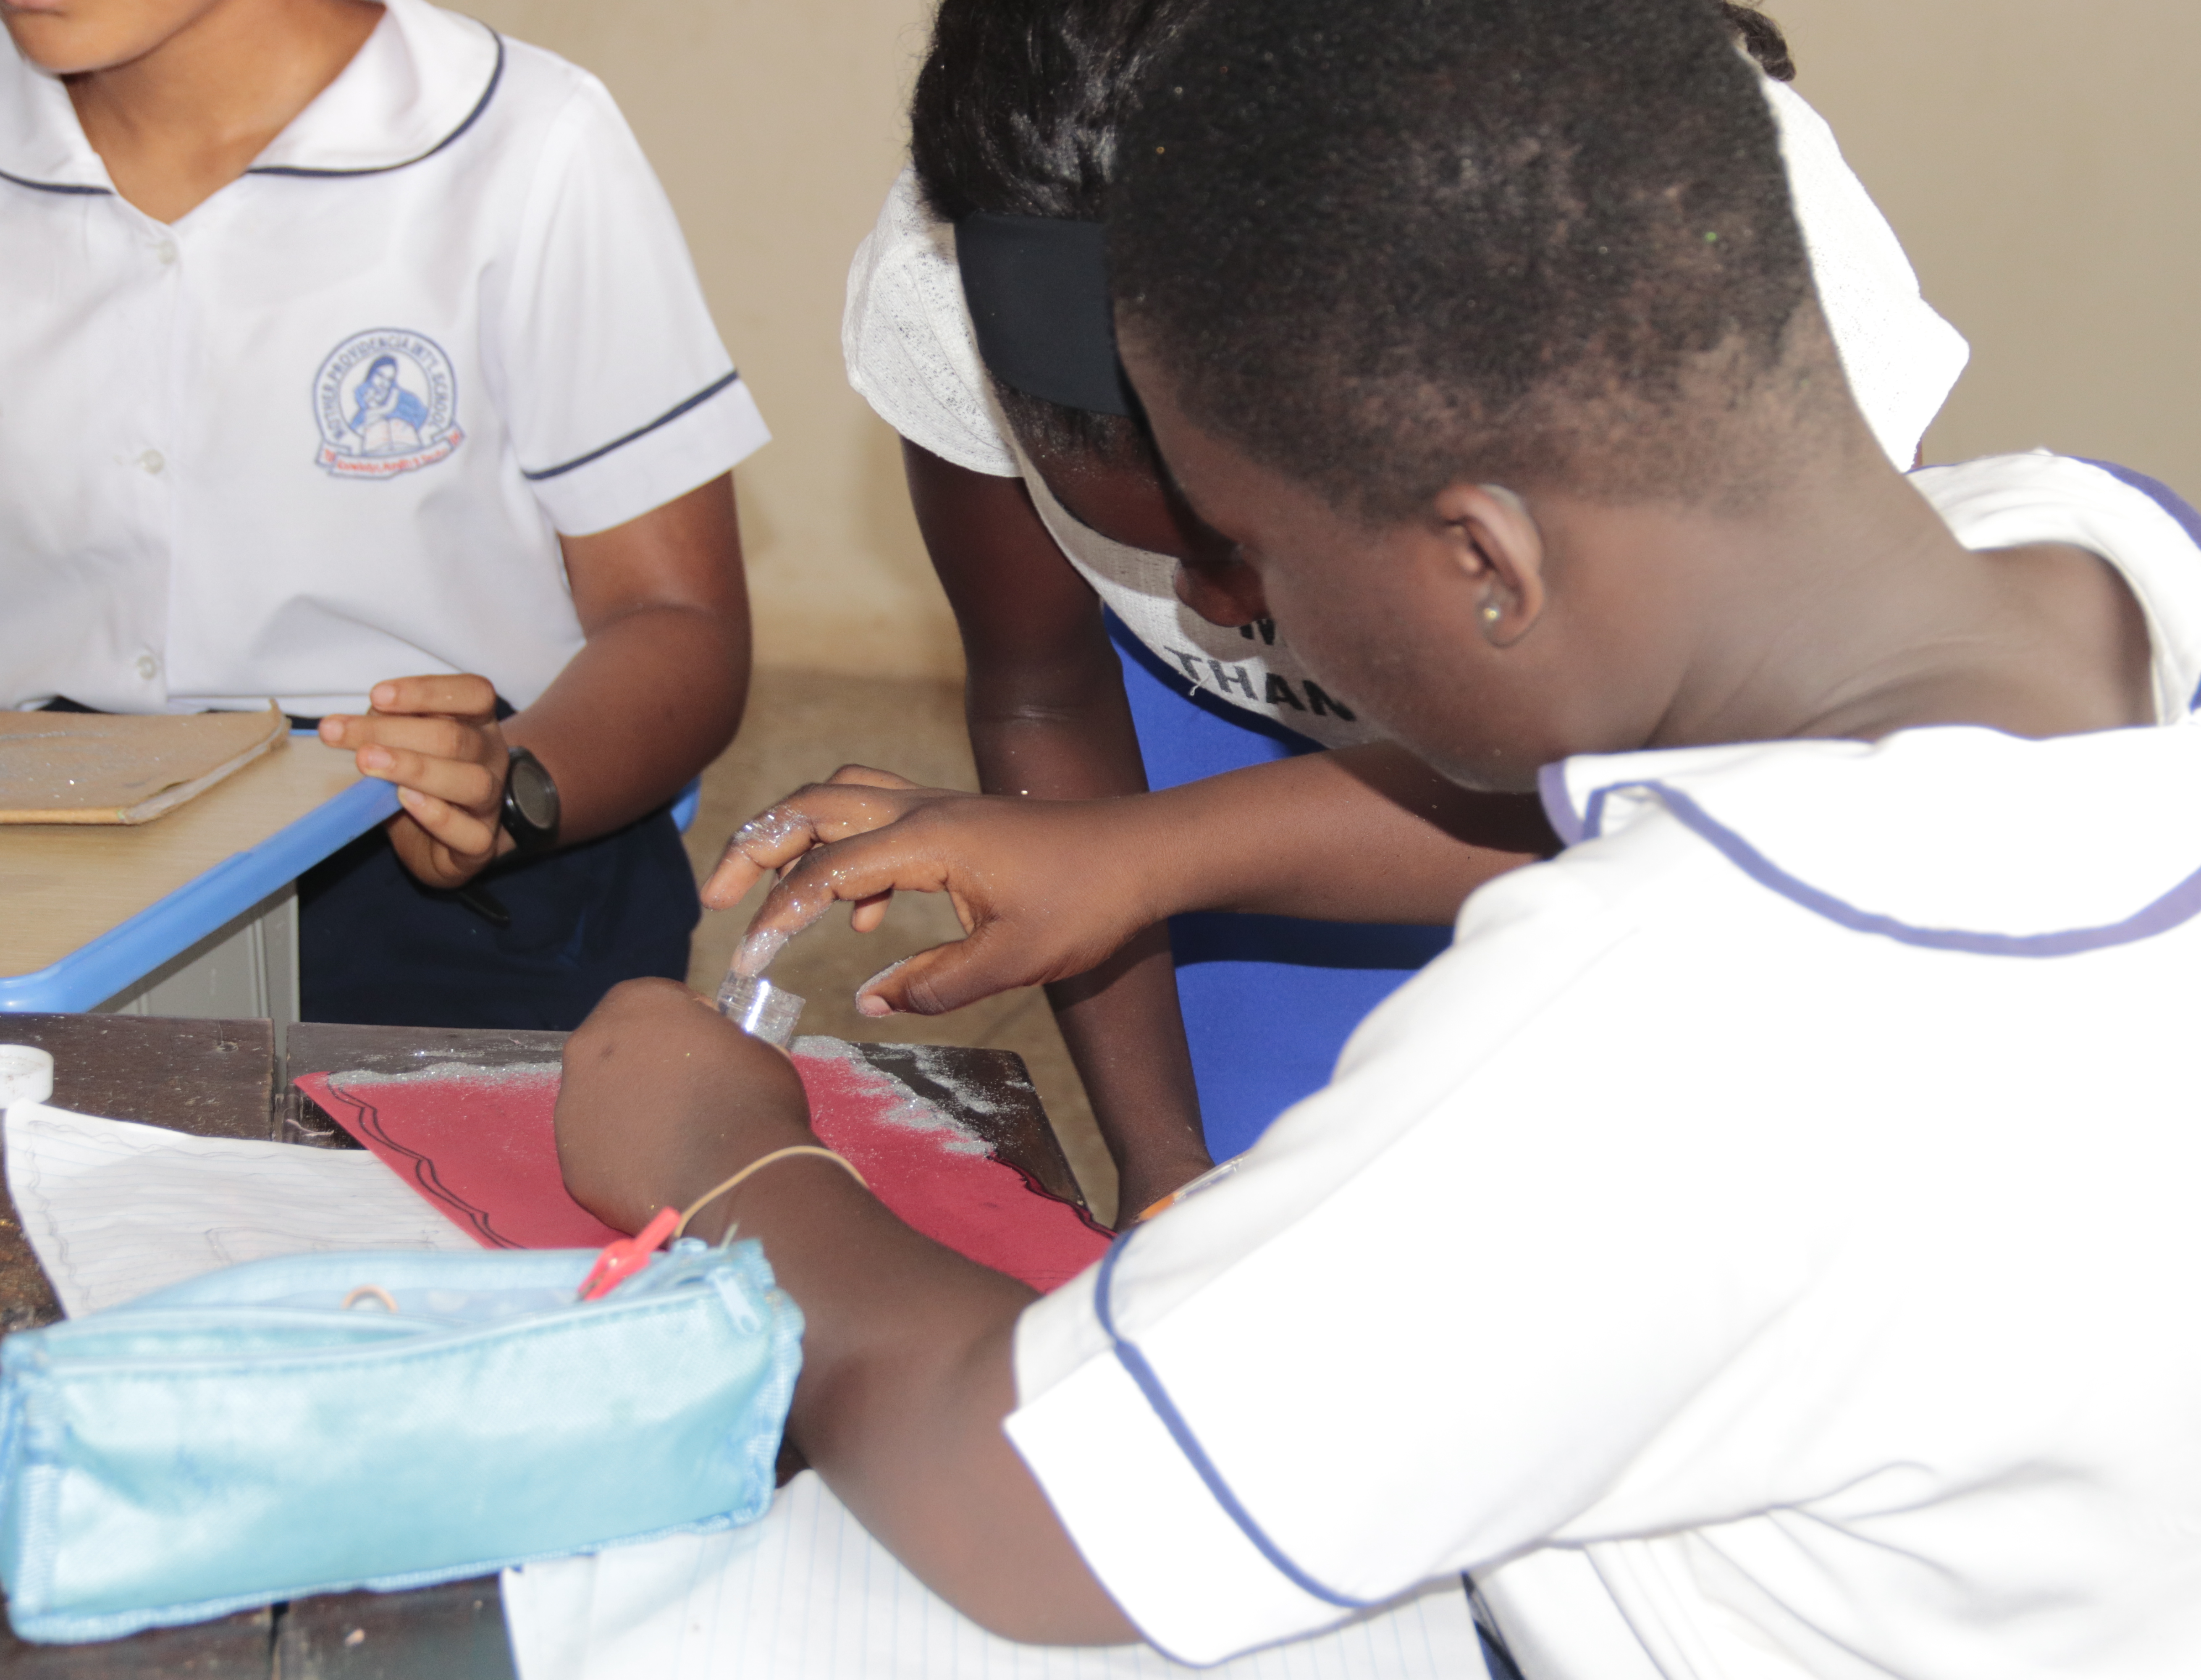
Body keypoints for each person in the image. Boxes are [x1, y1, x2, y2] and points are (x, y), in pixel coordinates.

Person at [553, 0, 2201, 1669]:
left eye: (1246, 548)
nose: (1219, 609)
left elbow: (1023, 1501)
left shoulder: (1646, 1029)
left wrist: (732, 1167)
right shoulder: (2112, 576)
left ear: (1484, 559)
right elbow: (1688, 814)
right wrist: (1153, 855)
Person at [720, 0, 1967, 1218]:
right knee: (1280, 1205)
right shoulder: (965, 261)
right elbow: (1043, 691)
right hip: (1218, 740)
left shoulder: (1712, 231)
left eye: (1248, 539)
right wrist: (1162, 1166)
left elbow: (1723, 792)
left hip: (1697, 767)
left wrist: (1138, 856)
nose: (1217, 605)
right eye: (1155, 549)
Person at [0, 0, 766, 1029]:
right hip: (43, 818)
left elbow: (678, 620)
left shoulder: (524, 139)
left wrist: (508, 791)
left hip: (430, 824)